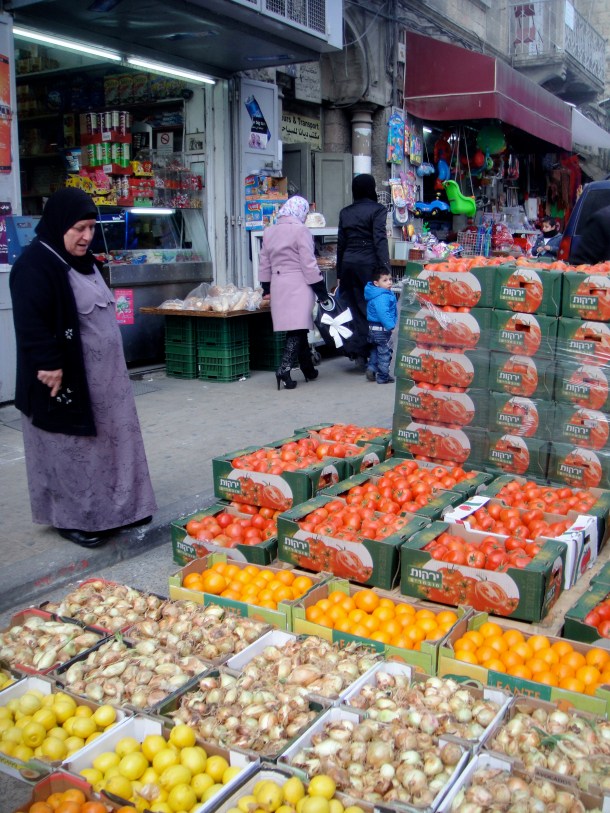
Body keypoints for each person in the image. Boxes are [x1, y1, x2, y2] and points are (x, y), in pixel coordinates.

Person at [9, 188, 157, 548]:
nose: (87, 236)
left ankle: (121, 509)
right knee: (71, 449)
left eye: (91, 227)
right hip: (66, 378)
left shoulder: (87, 260)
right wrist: (48, 363)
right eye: (79, 228)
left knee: (111, 445)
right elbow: (31, 321)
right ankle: (73, 519)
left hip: (107, 380)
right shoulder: (35, 265)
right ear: (60, 224)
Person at [258, 195, 329, 390]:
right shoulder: (301, 231)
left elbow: (264, 263)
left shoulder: (269, 231)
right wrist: (321, 291)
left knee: (298, 326)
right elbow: (308, 263)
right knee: (297, 328)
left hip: (278, 284)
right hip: (299, 284)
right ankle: (284, 368)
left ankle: (308, 368)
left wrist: (266, 287)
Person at [336, 174, 390, 371]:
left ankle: (358, 352)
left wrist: (339, 272)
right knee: (372, 308)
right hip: (369, 265)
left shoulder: (345, 212)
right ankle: (373, 353)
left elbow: (341, 244)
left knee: (351, 307)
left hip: (349, 264)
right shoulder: (378, 210)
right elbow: (380, 240)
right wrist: (385, 268)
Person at [364, 269, 397, 384]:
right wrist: (390, 326)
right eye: (385, 280)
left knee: (375, 351)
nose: (389, 282)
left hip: (372, 329)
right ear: (376, 283)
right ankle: (383, 376)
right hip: (382, 330)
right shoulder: (382, 296)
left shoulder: (374, 293)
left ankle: (371, 368)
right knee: (384, 352)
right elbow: (383, 313)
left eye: (390, 279)